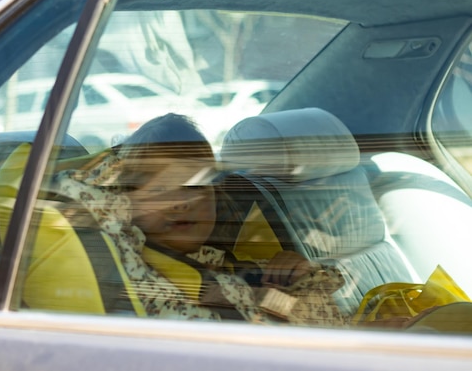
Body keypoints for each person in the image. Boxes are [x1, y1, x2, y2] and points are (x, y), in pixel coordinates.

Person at [51, 113, 347, 325]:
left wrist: (299, 274)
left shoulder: (223, 261)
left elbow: (303, 300)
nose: (182, 203)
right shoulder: (131, 261)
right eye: (161, 189)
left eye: (197, 187)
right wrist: (120, 161)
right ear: (122, 201)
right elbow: (75, 192)